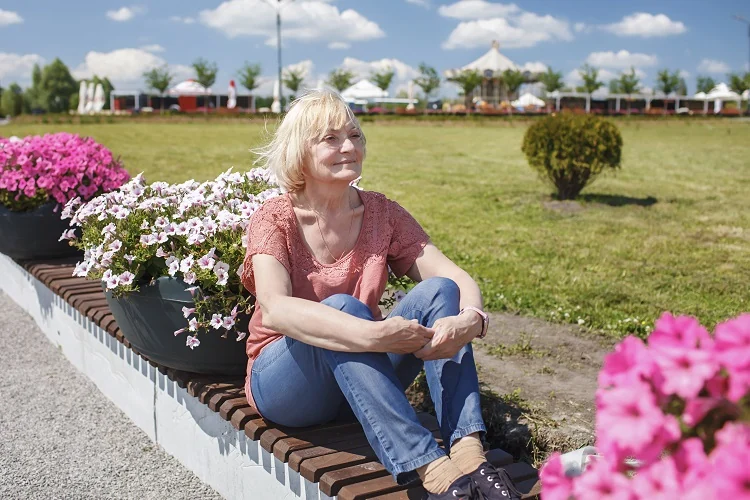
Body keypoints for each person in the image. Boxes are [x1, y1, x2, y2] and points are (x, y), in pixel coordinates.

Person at [240, 89, 521, 500]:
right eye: (330, 138)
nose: (349, 146)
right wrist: (372, 335)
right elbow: (277, 309)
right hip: (286, 385)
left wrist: (471, 318)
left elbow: (452, 276)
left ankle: (468, 452)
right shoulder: (275, 217)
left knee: (440, 291)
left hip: (361, 376)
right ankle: (430, 469)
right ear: (299, 151)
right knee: (343, 309)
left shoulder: (381, 213)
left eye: (354, 135)